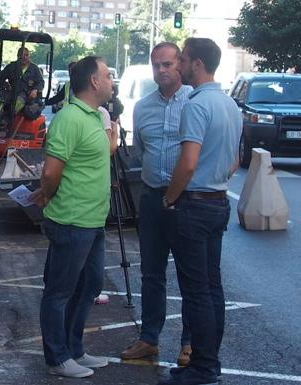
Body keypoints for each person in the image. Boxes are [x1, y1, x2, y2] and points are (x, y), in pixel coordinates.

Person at [157, 38, 242, 385]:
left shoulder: (195, 105)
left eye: (183, 60)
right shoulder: (230, 105)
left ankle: (203, 368)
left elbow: (188, 163)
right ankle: (209, 363)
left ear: (197, 64)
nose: (177, 67)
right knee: (212, 288)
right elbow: (236, 159)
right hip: (218, 203)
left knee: (196, 293)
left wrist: (170, 198)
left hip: (193, 205)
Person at [31, 56, 117, 378]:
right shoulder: (69, 118)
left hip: (94, 221)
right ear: (93, 82)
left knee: (90, 285)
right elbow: (52, 172)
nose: (111, 81)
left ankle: (74, 349)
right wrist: (49, 195)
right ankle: (57, 358)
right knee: (60, 291)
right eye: (108, 76)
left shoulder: (95, 116)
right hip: (71, 221)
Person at [120, 42, 194, 366]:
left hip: (186, 199)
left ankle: (189, 344)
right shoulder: (143, 107)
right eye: (156, 65)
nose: (161, 70)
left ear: (180, 65)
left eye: (167, 64)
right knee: (151, 273)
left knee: (190, 274)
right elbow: (139, 152)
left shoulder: (194, 101)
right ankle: (149, 339)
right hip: (151, 197)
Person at [0, 47, 44, 116]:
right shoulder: (11, 67)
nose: (24, 57)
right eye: (21, 55)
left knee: (19, 101)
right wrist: (5, 85)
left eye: (26, 55)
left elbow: (41, 82)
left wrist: (35, 90)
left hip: (26, 95)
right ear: (18, 56)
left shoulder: (34, 68)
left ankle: (8, 118)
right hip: (11, 92)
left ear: (29, 56)